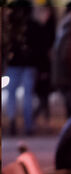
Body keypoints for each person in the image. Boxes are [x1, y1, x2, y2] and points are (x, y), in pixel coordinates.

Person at [5, 0, 41, 136]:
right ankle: (27, 124)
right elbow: (40, 47)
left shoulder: (11, 26)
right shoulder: (33, 25)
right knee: (26, 95)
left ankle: (14, 120)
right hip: (27, 64)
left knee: (13, 93)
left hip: (15, 64)